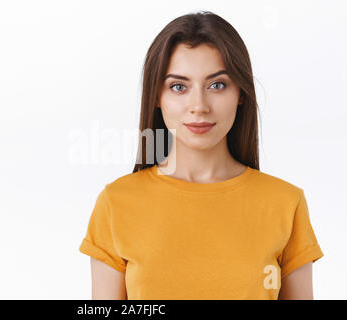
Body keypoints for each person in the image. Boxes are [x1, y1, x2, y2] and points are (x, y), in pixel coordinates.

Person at [79, 11, 323, 300]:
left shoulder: (285, 203)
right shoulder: (115, 204)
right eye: (179, 87)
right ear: (157, 96)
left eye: (217, 85)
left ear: (240, 92)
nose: (199, 106)